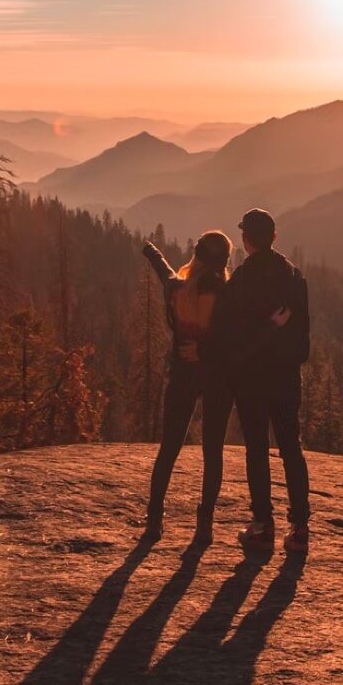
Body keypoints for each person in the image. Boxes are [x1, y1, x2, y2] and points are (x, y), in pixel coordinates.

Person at [208, 208, 312, 555]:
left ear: (246, 240)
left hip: (252, 380)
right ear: (274, 238)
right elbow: (303, 339)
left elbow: (227, 334)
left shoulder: (241, 280)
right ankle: (299, 529)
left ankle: (262, 526)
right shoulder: (294, 277)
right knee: (291, 449)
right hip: (286, 377)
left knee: (256, 449)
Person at [140, 232, 236, 542]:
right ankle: (204, 523)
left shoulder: (177, 289)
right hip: (218, 378)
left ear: (196, 257)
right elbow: (233, 341)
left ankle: (154, 518)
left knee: (169, 448)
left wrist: (151, 251)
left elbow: (164, 269)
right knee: (213, 452)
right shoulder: (227, 296)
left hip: (183, 375)